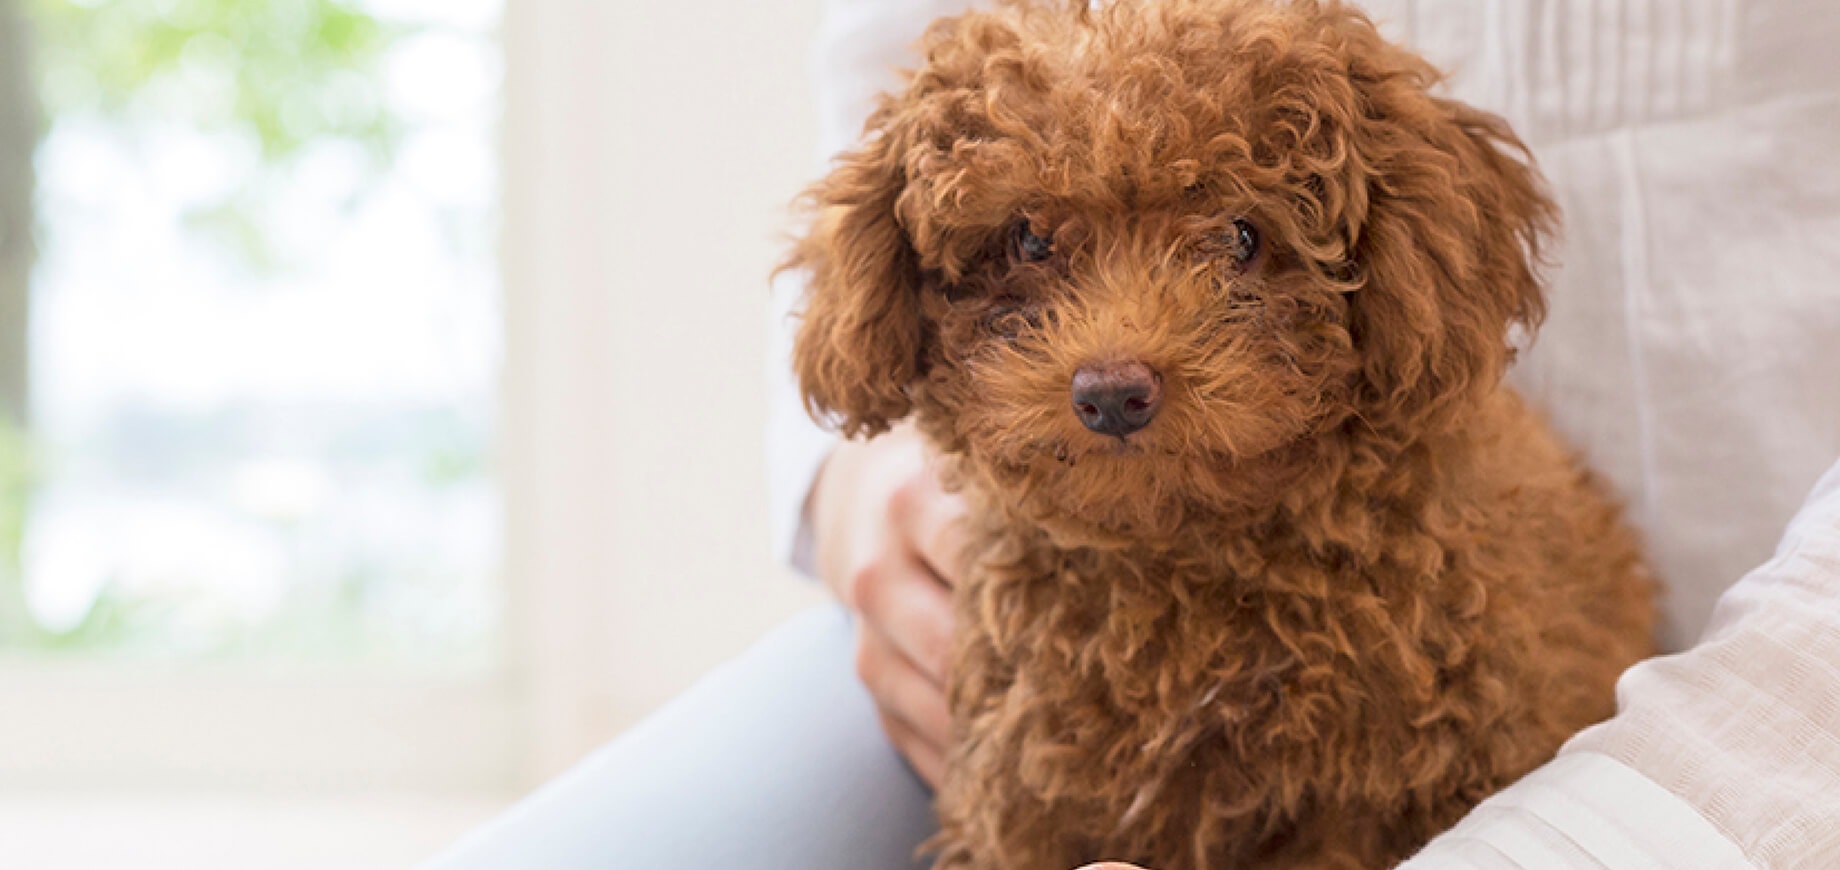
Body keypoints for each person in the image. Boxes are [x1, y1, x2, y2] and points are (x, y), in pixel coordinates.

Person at [430, 1, 1840, 866]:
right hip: (1004, 557)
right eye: (1036, 246)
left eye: (1234, 242)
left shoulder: (1458, 600)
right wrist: (864, 484)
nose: (1121, 357)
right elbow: (887, 94)